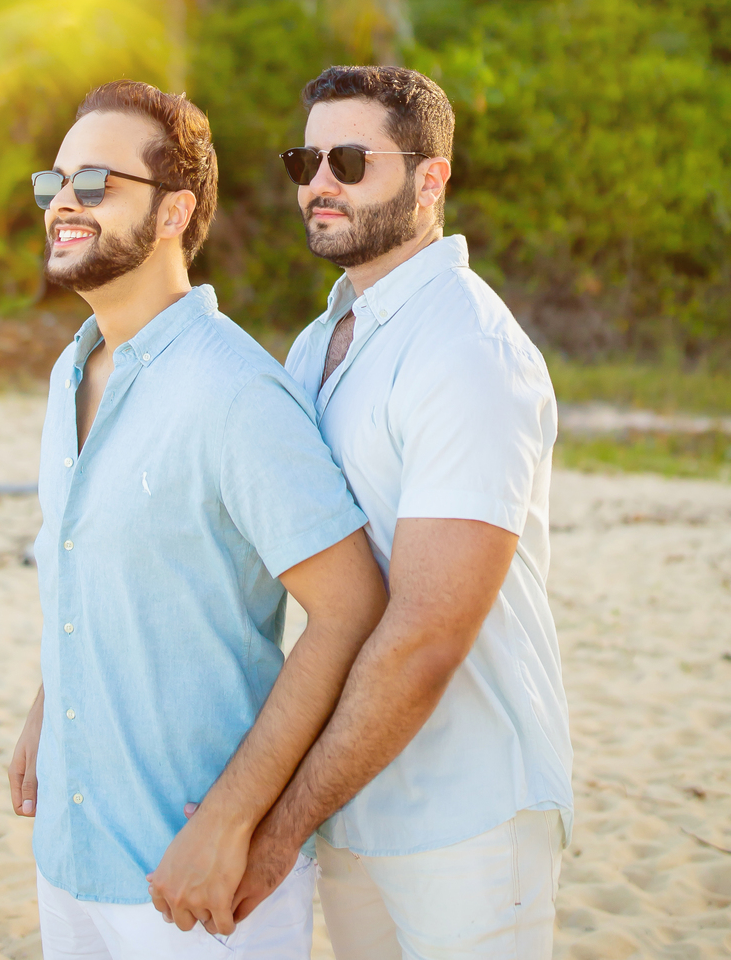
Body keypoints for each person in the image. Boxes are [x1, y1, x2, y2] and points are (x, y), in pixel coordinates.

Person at [155, 64, 573, 960]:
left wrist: (271, 830)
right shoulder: (321, 340)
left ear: (432, 179)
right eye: (305, 159)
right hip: (352, 805)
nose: (319, 183)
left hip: (467, 812)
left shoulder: (468, 352)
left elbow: (425, 636)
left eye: (350, 159)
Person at [8, 79, 387, 960]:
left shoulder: (235, 391)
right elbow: (99, 572)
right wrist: (44, 705)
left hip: (194, 876)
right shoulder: (71, 373)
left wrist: (233, 817)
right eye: (53, 183)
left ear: (175, 211)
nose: (64, 202)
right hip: (70, 860)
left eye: (96, 184)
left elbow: (350, 609)